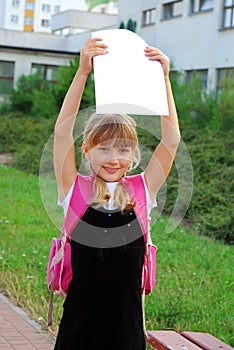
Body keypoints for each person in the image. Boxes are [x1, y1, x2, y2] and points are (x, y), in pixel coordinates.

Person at [53, 37, 180, 350]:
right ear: (87, 150)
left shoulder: (142, 189)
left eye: (123, 149)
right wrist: (82, 73)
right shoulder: (75, 189)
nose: (114, 158)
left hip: (125, 329)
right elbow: (60, 134)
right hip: (78, 330)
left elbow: (172, 140)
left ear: (134, 152)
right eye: (104, 148)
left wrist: (163, 79)